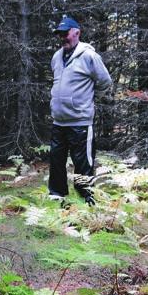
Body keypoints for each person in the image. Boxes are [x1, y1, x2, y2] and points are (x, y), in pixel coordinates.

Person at [48, 15, 111, 205]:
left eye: (66, 33)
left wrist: (89, 100)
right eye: (60, 34)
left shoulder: (89, 56)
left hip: (80, 121)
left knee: (83, 164)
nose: (63, 38)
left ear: (77, 32)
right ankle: (56, 197)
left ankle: (86, 201)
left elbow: (105, 82)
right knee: (56, 162)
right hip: (58, 121)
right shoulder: (56, 57)